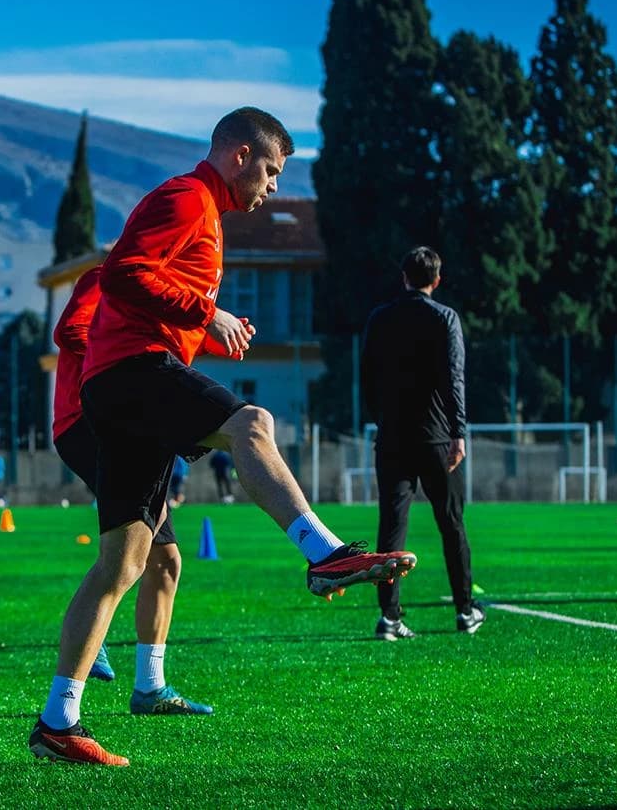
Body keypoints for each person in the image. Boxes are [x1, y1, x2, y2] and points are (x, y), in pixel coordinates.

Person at [29, 107, 418, 766]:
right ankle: (322, 553)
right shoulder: (187, 197)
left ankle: (56, 722)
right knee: (252, 423)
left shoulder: (205, 214)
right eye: (269, 171)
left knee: (125, 563)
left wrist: (205, 322)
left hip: (123, 381)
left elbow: (151, 290)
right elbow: (121, 273)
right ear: (238, 155)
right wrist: (205, 313)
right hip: (132, 372)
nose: (271, 187)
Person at [51, 265, 209, 708]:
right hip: (88, 423)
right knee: (132, 557)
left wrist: (217, 333)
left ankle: (150, 686)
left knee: (165, 560)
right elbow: (69, 332)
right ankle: (94, 638)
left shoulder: (161, 291)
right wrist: (117, 372)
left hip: (130, 428)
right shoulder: (103, 278)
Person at [360, 246, 485, 641]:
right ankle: (465, 610)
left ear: (404, 277)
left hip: (393, 437)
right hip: (435, 437)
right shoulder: (445, 318)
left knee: (392, 528)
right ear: (436, 279)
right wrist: (458, 431)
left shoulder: (380, 318)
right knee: (451, 523)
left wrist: (381, 418)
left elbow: (366, 376)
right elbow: (454, 376)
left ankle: (390, 618)